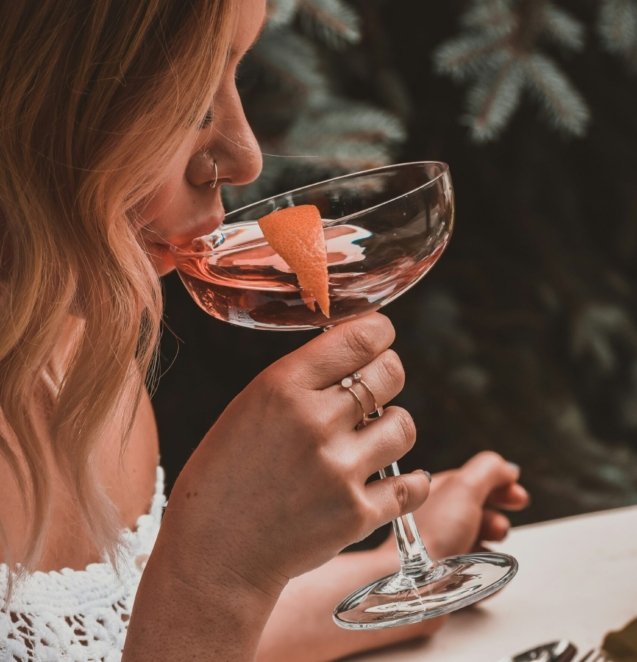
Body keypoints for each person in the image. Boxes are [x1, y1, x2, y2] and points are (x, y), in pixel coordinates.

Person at [0, 0, 529, 660]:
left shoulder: (81, 367)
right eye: (191, 99)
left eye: (237, 80)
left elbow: (126, 645)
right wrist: (215, 578)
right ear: (31, 98)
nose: (244, 156)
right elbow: (191, 614)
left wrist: (382, 582)